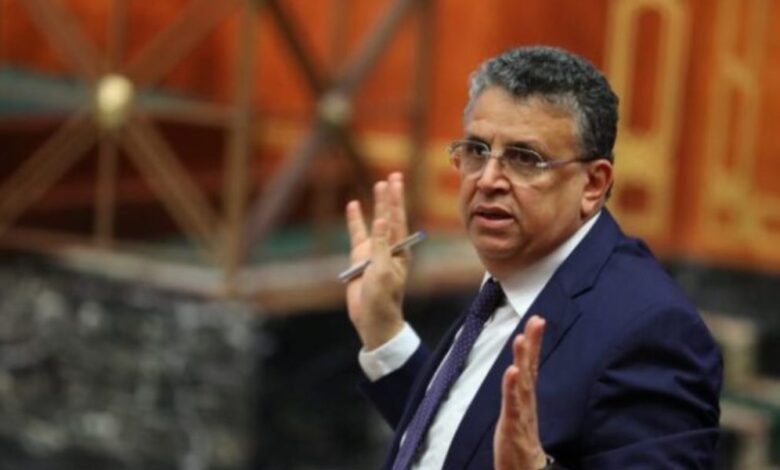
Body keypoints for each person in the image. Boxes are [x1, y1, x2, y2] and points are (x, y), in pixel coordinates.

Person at [343, 46, 722, 469]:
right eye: (477, 150)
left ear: (593, 185)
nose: (488, 180)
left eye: (525, 159)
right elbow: (460, 439)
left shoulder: (651, 329)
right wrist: (383, 332)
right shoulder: (509, 279)